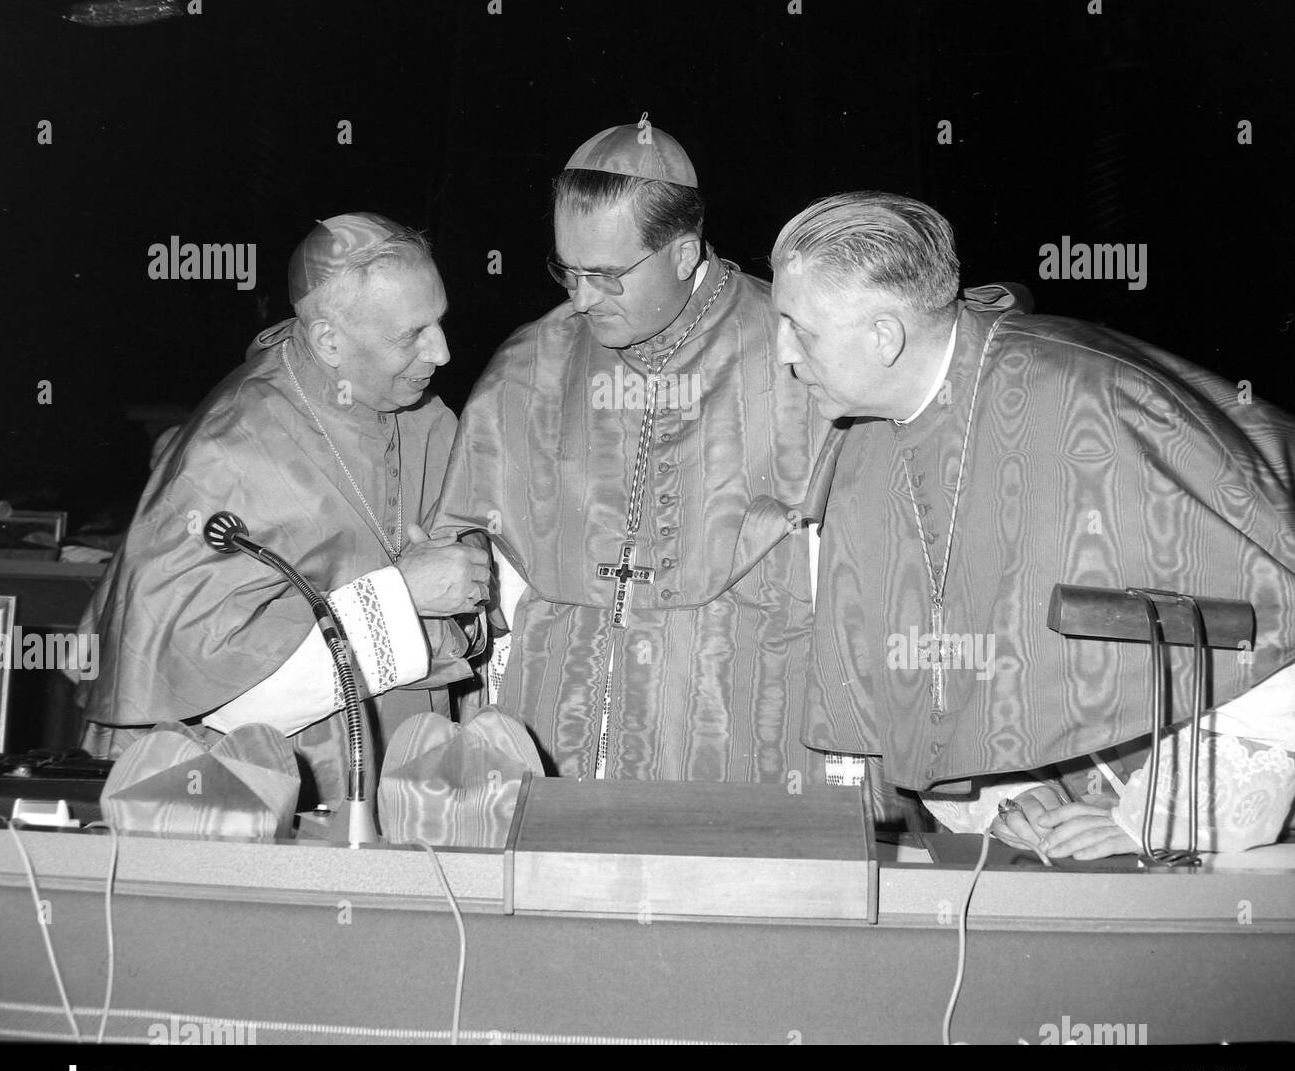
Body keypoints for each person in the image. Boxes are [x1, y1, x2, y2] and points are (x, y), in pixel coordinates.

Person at [771, 191, 1295, 857]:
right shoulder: (862, 447)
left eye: (798, 329)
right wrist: (1003, 788)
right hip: (1050, 835)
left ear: (884, 335)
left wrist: (1155, 821)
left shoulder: (1089, 412)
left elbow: (1269, 626)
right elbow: (910, 665)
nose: (782, 353)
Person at [432, 122, 825, 781]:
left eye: (606, 275)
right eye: (567, 269)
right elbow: (472, 556)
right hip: (560, 718)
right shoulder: (532, 362)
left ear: (681, 253)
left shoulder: (792, 356)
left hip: (737, 719)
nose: (580, 299)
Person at [78, 213, 491, 805]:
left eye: (439, 323)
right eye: (412, 334)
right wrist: (400, 597)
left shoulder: (423, 415)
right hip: (265, 779)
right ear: (328, 341)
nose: (443, 352)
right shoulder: (233, 447)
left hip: (403, 762)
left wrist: (470, 570)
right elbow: (194, 678)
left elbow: (471, 558)